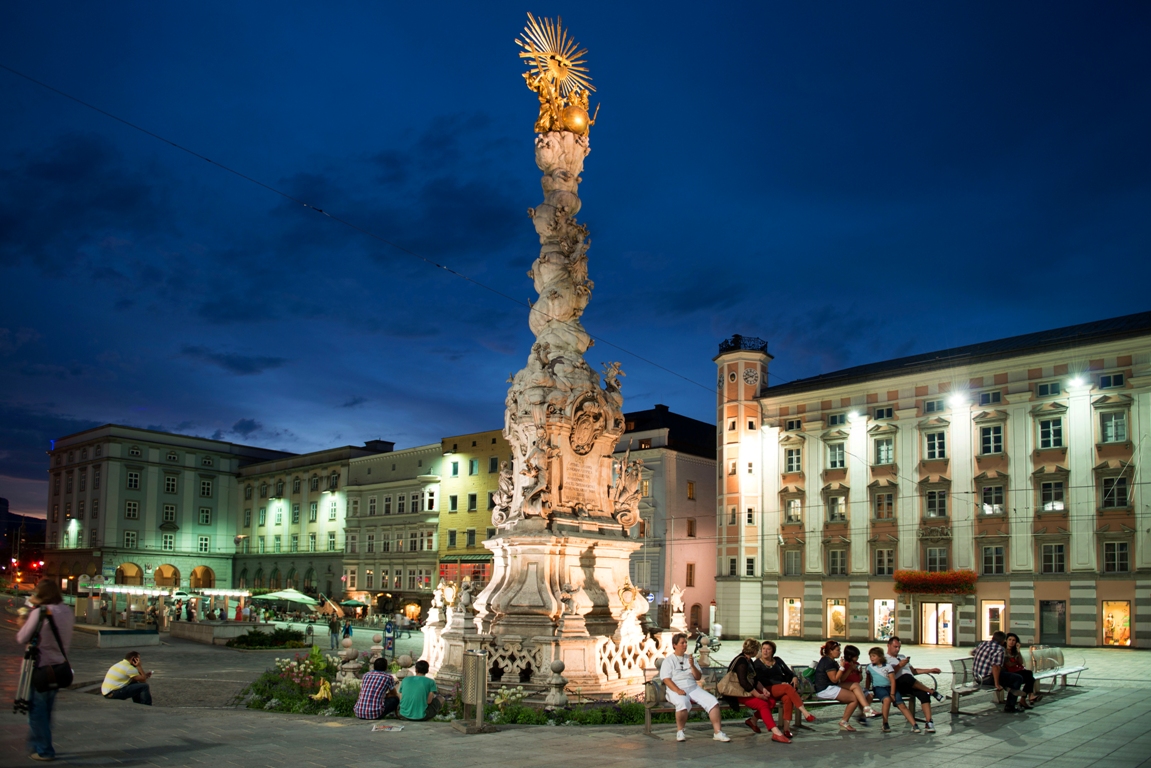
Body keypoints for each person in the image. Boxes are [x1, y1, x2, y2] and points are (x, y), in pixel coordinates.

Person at [16, 578, 75, 761]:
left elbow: (22, 637)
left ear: (41, 595)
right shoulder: (67, 611)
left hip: (40, 668)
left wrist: (23, 620)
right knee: (47, 710)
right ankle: (36, 744)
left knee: (36, 711)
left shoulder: (40, 612)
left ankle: (45, 750)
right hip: (59, 667)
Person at [659, 632, 730, 743]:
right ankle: (680, 731)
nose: (685, 645)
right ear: (674, 645)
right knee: (682, 702)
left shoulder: (690, 658)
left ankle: (718, 732)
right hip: (675, 689)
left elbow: (698, 677)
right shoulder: (668, 660)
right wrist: (678, 690)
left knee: (713, 701)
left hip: (693, 688)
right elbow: (666, 679)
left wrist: (692, 666)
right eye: (682, 643)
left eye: (686, 643)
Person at [724, 638, 789, 743]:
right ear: (753, 650)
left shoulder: (749, 660)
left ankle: (752, 720)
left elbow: (755, 679)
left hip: (747, 691)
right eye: (759, 649)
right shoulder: (741, 661)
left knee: (771, 701)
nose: (760, 652)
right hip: (737, 693)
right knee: (762, 704)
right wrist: (758, 695)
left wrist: (763, 690)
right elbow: (743, 683)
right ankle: (776, 732)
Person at [754, 640, 816, 735]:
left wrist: (794, 677)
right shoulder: (757, 663)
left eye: (768, 649)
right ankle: (805, 713)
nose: (765, 651)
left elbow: (788, 672)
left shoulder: (777, 660)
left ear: (773, 651)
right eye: (763, 649)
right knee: (787, 687)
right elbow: (762, 680)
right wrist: (780, 683)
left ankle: (787, 729)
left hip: (780, 688)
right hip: (766, 688)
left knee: (787, 699)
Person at [812, 640, 875, 732]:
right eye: (837, 650)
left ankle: (866, 708)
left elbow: (838, 680)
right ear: (830, 651)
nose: (840, 652)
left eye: (839, 650)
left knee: (856, 685)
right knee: (854, 699)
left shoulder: (831, 661)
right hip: (825, 689)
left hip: (832, 686)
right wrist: (842, 667)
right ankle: (844, 721)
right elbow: (834, 679)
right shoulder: (827, 662)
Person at [885, 637, 943, 732]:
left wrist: (930, 670)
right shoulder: (885, 659)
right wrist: (899, 665)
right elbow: (887, 675)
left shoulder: (902, 656)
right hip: (898, 684)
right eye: (895, 647)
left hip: (910, 682)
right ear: (888, 645)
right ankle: (932, 691)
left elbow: (913, 671)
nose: (897, 649)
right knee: (906, 678)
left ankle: (929, 722)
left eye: (899, 647)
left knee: (923, 694)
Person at [867, 647, 919, 733]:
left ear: (880, 657)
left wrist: (892, 693)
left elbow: (892, 680)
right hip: (878, 688)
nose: (871, 658)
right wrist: (867, 690)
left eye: (873, 656)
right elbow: (868, 680)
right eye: (870, 656)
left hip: (890, 688)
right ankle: (885, 723)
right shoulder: (869, 667)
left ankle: (914, 724)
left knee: (901, 704)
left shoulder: (888, 667)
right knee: (886, 700)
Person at [972, 631, 1026, 713]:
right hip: (987, 678)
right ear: (1003, 641)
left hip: (977, 677)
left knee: (1004, 672)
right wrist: (997, 684)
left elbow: (972, 652)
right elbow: (996, 667)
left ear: (993, 638)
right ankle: (1010, 706)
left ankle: (1008, 688)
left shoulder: (983, 644)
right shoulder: (999, 649)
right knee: (1017, 678)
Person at [1004, 633, 1038, 708]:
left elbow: (1021, 661)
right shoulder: (1004, 651)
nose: (1011, 642)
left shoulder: (1014, 651)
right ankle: (1027, 697)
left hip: (1017, 671)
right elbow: (1009, 664)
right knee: (1030, 675)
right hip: (1009, 673)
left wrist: (1018, 650)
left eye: (1013, 640)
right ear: (1006, 641)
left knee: (1031, 678)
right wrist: (1015, 661)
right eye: (1009, 640)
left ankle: (1025, 699)